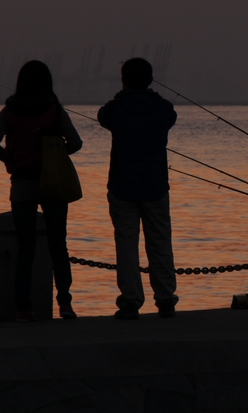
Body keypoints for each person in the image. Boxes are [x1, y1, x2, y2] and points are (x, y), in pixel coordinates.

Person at [0, 60, 82, 321]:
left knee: (24, 248)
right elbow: (76, 142)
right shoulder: (55, 110)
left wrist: (11, 159)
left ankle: (23, 308)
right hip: (53, 184)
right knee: (58, 245)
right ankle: (65, 304)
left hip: (21, 185)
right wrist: (57, 155)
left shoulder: (9, 111)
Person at [98, 58, 179, 319]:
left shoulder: (117, 109)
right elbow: (171, 116)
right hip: (155, 185)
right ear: (150, 80)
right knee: (160, 243)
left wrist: (123, 95)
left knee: (127, 246)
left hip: (123, 186)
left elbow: (103, 115)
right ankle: (165, 298)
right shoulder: (162, 108)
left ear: (123, 79)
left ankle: (131, 301)